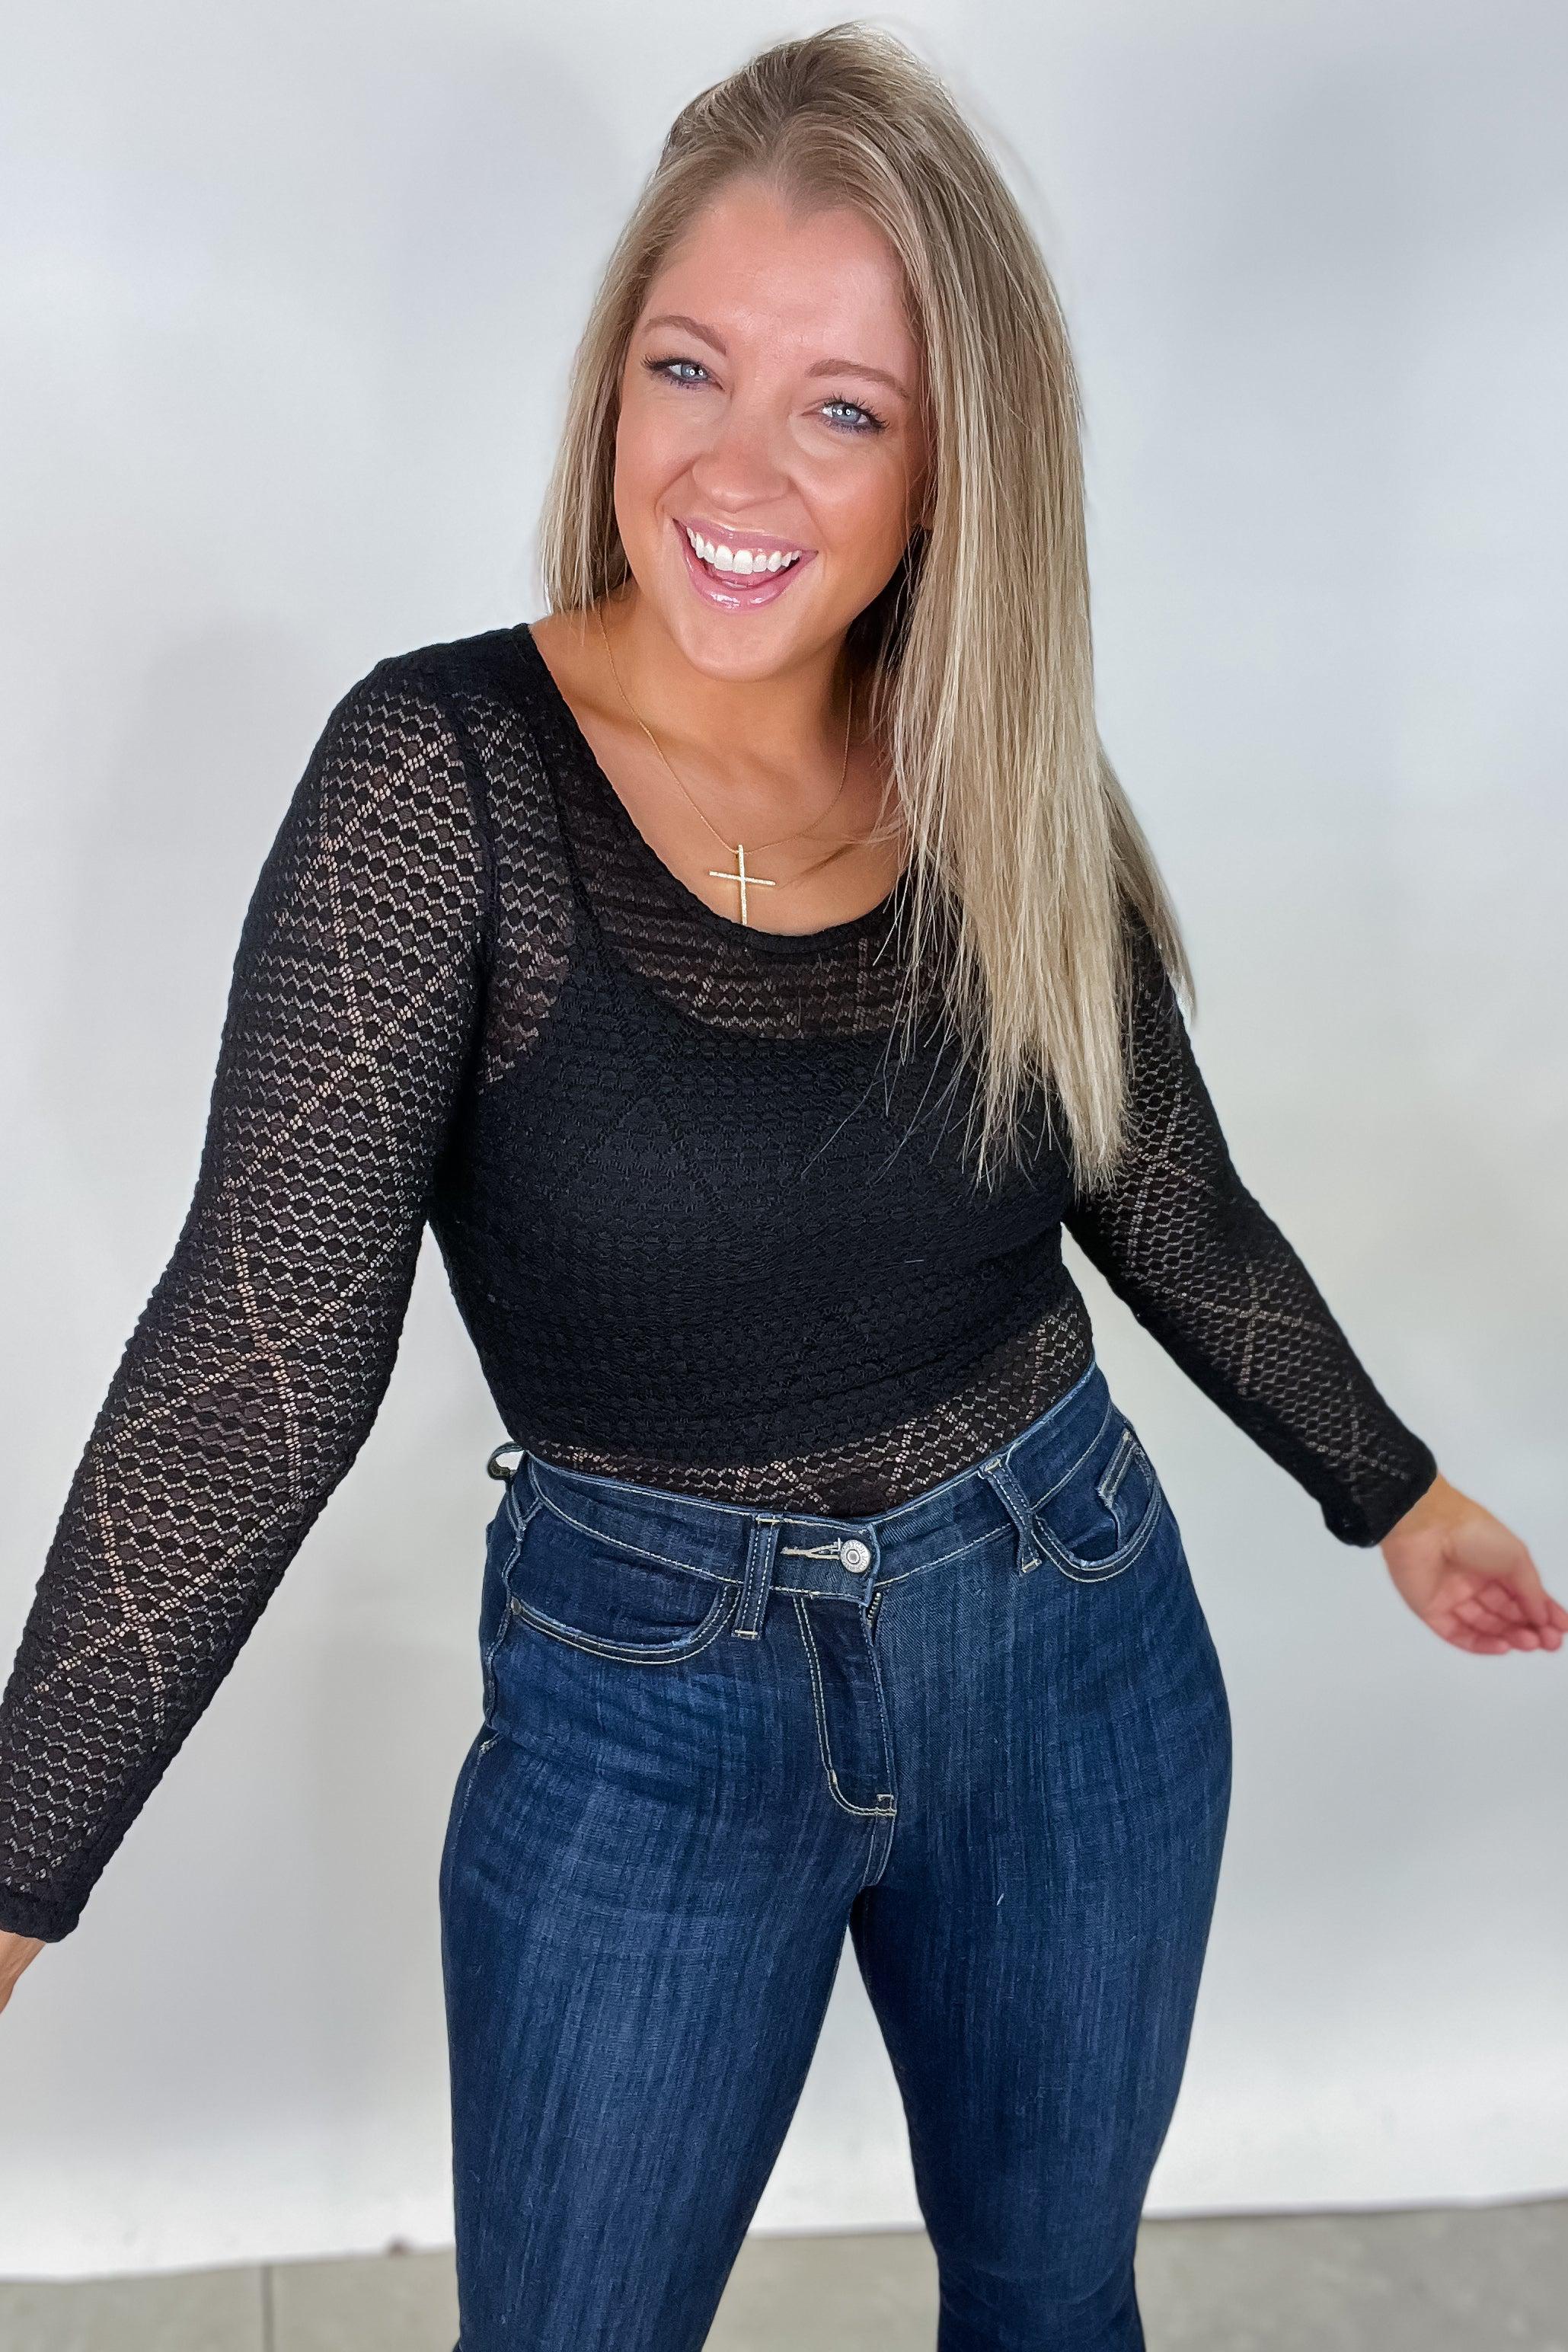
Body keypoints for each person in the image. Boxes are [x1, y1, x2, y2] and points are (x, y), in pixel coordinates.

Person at [1, 21, 1560, 2351]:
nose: (735, 471)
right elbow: (257, 1365)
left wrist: (1394, 1490)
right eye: (687, 368)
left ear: (951, 467)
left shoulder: (986, 770)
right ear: (610, 381)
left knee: (1050, 2305)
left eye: (843, 408)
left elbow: (1161, 1192)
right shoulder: (441, 783)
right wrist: (19, 1869)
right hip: (646, 1705)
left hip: (1071, 1629)